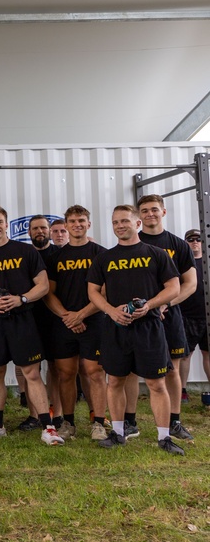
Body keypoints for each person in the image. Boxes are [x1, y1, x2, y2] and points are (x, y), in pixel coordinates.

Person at [87, 205, 184, 455]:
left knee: (156, 383)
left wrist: (150, 305)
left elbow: (173, 287)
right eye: (115, 222)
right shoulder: (104, 258)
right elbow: (92, 292)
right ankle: (118, 433)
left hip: (149, 327)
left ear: (137, 224)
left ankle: (164, 438)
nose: (120, 226)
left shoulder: (156, 254)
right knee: (115, 380)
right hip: (116, 328)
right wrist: (111, 310)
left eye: (124, 221)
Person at [0, 205, 63, 445]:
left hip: (22, 320)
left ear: (6, 224)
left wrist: (21, 299)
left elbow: (43, 286)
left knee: (31, 372)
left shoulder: (25, 251)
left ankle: (47, 427)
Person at [43, 205, 108, 441]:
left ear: (89, 224)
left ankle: (99, 423)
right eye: (72, 221)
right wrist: (68, 317)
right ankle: (68, 423)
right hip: (64, 323)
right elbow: (48, 293)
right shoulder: (55, 257)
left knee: (95, 371)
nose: (77, 224)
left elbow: (106, 292)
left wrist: (81, 315)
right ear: (66, 225)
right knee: (65, 373)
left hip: (95, 320)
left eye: (81, 220)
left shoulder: (101, 253)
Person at [135, 194, 197, 441]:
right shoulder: (131, 243)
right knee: (129, 371)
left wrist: (165, 304)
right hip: (138, 317)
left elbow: (190, 284)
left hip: (168, 316)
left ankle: (175, 422)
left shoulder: (178, 245)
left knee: (172, 369)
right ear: (139, 216)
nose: (150, 214)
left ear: (164, 212)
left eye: (154, 209)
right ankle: (129, 422)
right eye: (145, 210)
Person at [19, 215, 61, 433]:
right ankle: (34, 414)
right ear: (29, 232)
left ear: (50, 231)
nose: (40, 232)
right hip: (29, 318)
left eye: (43, 228)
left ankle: (57, 411)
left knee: (55, 367)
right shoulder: (24, 255)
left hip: (54, 318)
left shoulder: (58, 254)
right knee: (29, 368)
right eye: (35, 228)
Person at [179, 229, 209, 403]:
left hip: (207, 316)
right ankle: (182, 391)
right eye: (191, 239)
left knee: (207, 353)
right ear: (186, 243)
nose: (195, 242)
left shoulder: (207, 262)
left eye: (198, 239)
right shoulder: (183, 264)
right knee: (185, 354)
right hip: (187, 316)